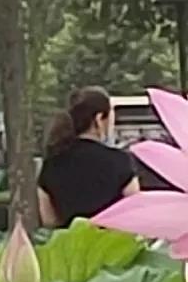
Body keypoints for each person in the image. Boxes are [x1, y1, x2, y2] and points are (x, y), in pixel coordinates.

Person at [34, 87, 142, 227]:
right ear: (98, 119)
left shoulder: (52, 162)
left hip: (72, 245)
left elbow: (49, 220)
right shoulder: (120, 160)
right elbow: (136, 208)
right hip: (113, 244)